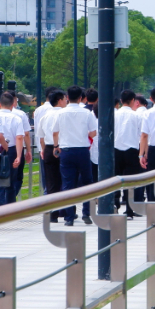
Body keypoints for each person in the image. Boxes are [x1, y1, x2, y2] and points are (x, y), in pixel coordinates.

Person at [53, 86, 97, 226]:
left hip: (66, 151)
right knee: (87, 182)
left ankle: (69, 217)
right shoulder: (87, 113)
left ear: (67, 97)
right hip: (83, 150)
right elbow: (93, 133)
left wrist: (56, 146)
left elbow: (55, 132)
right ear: (80, 98)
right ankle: (86, 212)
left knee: (68, 183)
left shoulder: (61, 113)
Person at [114, 89, 144, 217]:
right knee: (130, 181)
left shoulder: (113, 114)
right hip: (132, 150)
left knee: (114, 180)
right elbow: (142, 135)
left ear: (121, 101)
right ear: (133, 101)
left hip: (115, 150)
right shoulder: (136, 115)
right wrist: (142, 154)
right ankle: (129, 210)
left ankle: (115, 204)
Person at [0, 92, 27, 206]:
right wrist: (18, 156)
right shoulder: (16, 118)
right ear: (13, 104)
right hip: (12, 150)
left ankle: (0, 208)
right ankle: (10, 208)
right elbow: (19, 137)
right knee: (11, 182)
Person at [38, 90, 66, 201]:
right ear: (60, 101)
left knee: (50, 182)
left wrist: (43, 150)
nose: (66, 101)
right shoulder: (64, 114)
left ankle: (52, 213)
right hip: (62, 147)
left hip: (48, 149)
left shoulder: (44, 117)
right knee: (65, 180)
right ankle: (66, 211)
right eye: (65, 99)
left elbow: (41, 138)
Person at [32, 88, 59, 191]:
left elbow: (38, 130)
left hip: (43, 146)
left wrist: (41, 148)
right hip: (56, 145)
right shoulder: (59, 111)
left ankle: (46, 194)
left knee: (47, 176)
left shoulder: (38, 110)